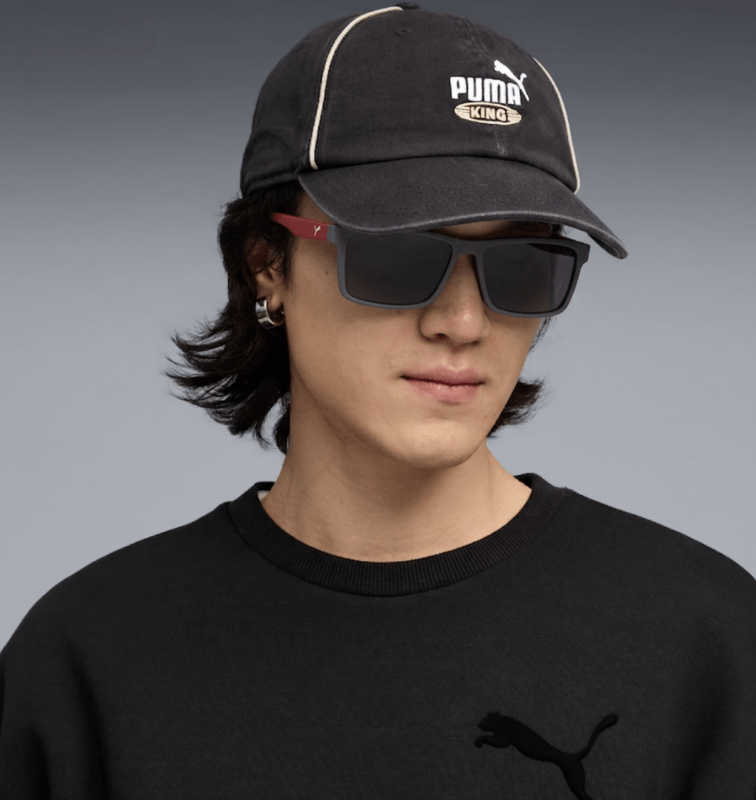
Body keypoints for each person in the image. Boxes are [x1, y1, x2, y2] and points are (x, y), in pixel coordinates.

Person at [1, 5, 754, 798]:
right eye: (397, 257)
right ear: (267, 264)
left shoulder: (705, 641)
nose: (463, 322)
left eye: (522, 266)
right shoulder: (88, 660)